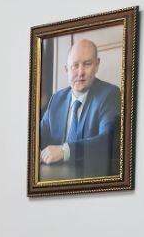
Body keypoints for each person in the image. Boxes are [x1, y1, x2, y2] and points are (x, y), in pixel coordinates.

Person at [38, 38, 121, 177]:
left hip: (92, 179)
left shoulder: (110, 94)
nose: (80, 72)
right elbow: (37, 137)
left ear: (97, 65)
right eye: (75, 65)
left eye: (87, 64)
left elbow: (106, 140)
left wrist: (65, 151)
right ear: (66, 69)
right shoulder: (56, 99)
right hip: (53, 178)